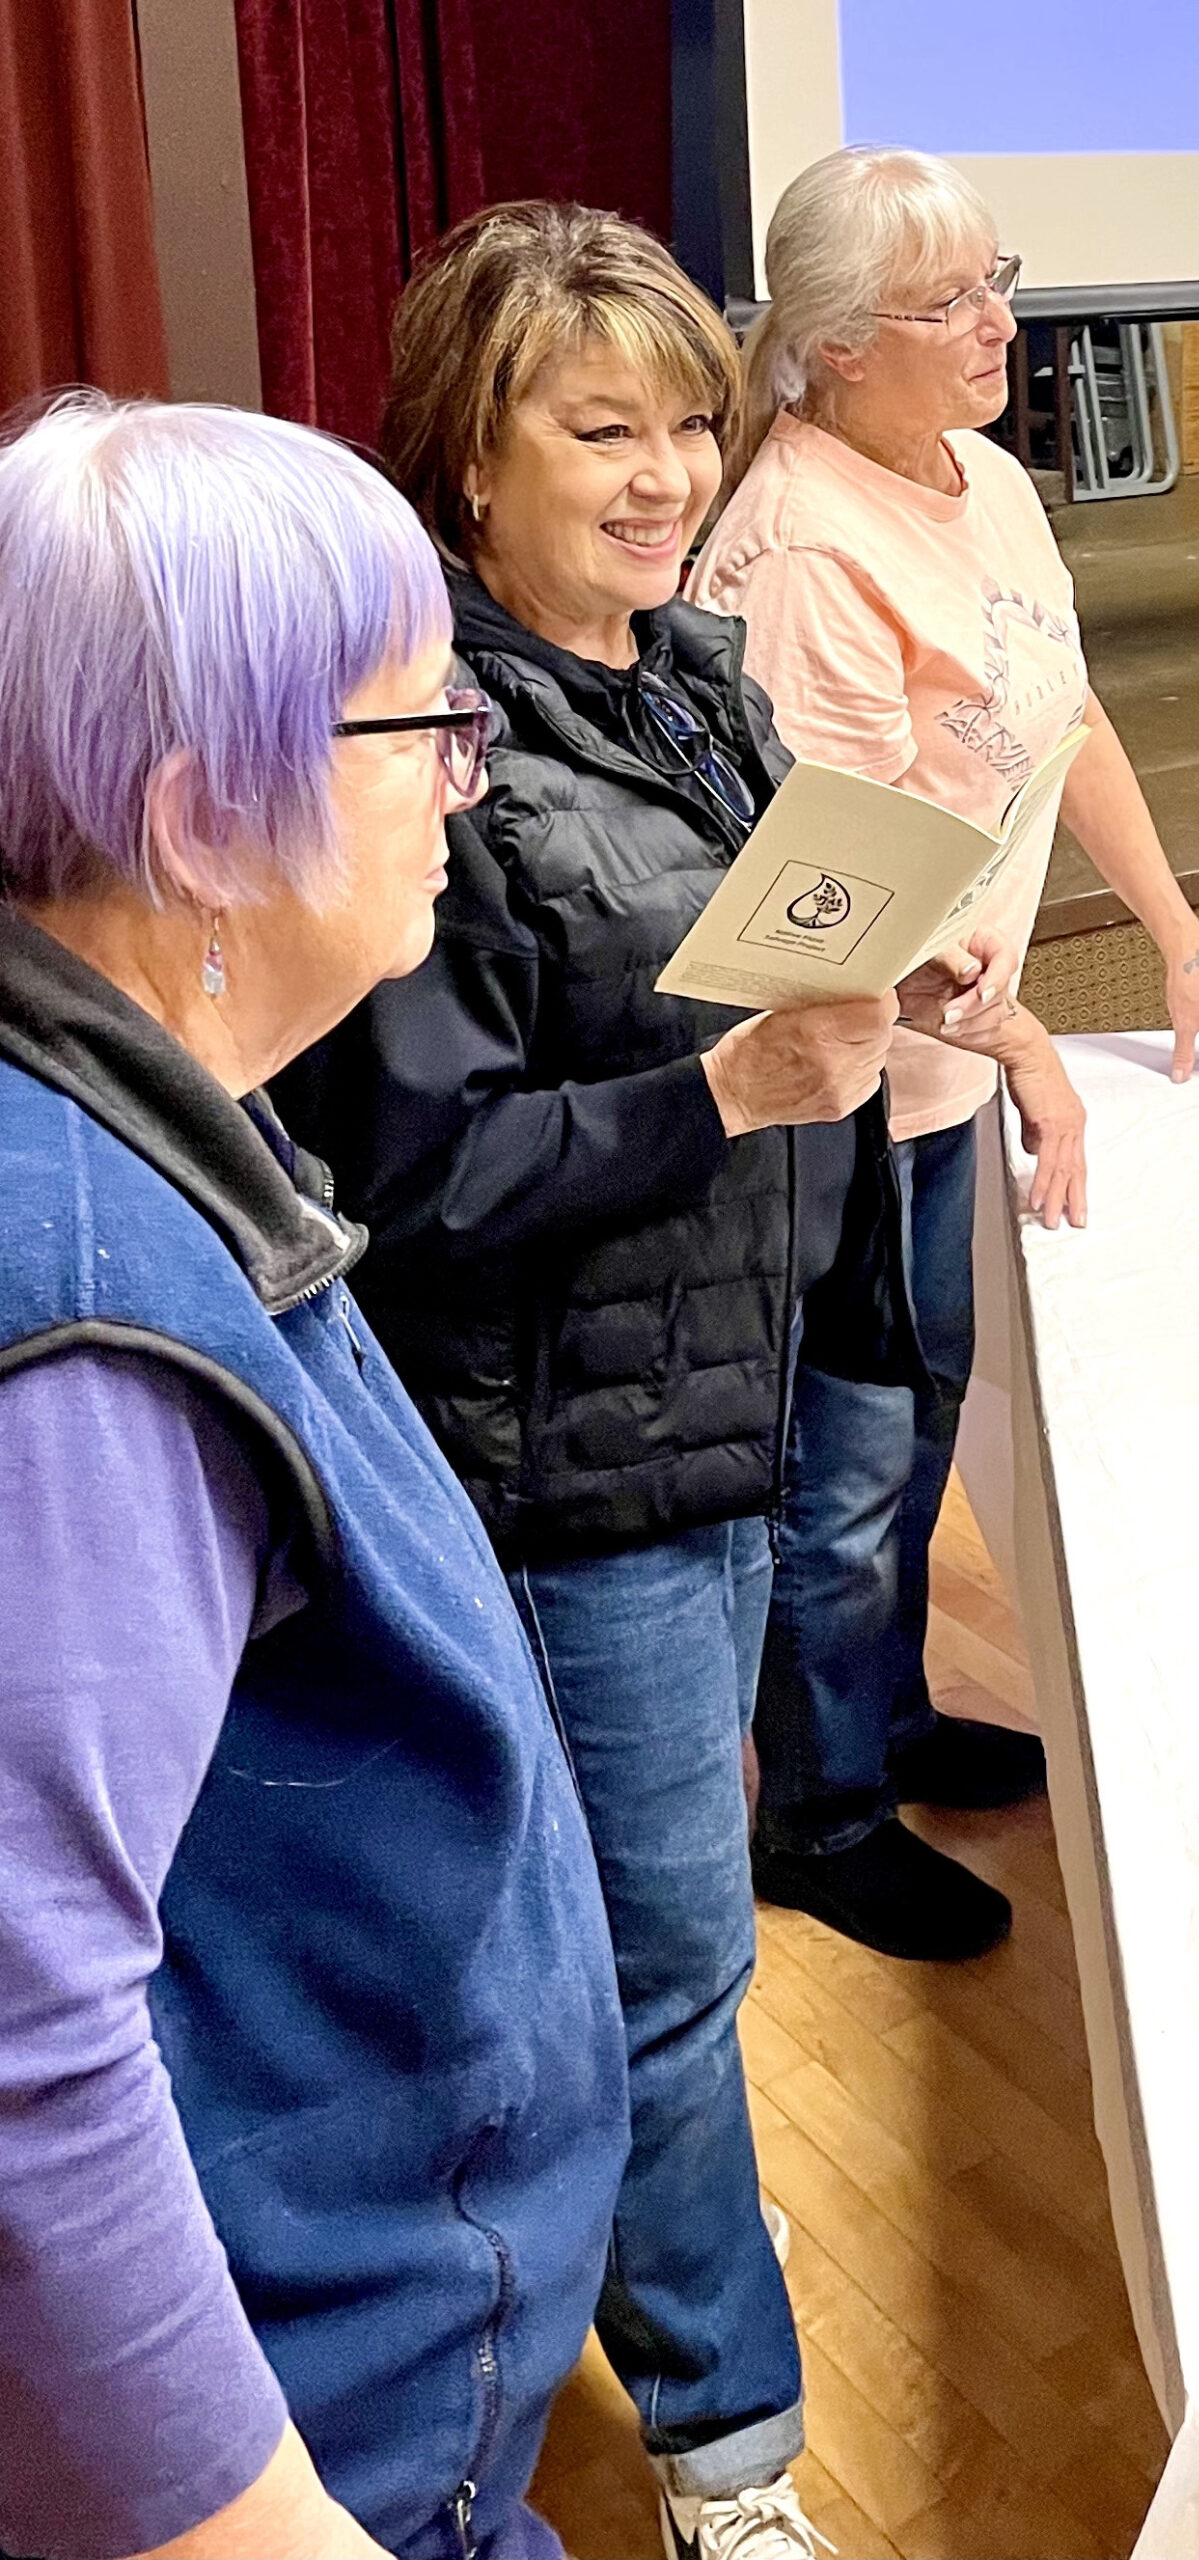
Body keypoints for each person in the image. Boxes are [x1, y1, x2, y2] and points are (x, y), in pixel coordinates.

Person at [272, 204, 994, 2560]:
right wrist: (729, 1093)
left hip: (746, 1375)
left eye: (691, 416)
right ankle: (729, 2453)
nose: (668, 468)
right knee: (667, 1970)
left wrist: (908, 978)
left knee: (651, 1942)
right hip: (574, 1461)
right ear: (463, 465)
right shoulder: (426, 742)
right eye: (601, 428)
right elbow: (406, 1170)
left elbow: (758, 973)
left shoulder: (695, 678)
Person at [0, 397, 626, 2559]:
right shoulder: (79, 1314)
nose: (469, 773)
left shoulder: (145, 1114)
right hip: (320, 2457)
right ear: (201, 814)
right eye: (416, 727)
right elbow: (19, 2062)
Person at [690, 145, 1199, 1961]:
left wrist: (1182, 947)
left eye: (995, 278)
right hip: (841, 1083)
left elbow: (1065, 717)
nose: (999, 323)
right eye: (949, 302)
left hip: (943, 1064)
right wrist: (1028, 1040)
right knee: (847, 1452)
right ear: (835, 346)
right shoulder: (797, 545)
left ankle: (880, 1719)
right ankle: (818, 1811)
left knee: (918, 1410)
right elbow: (846, 881)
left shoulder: (990, 483)